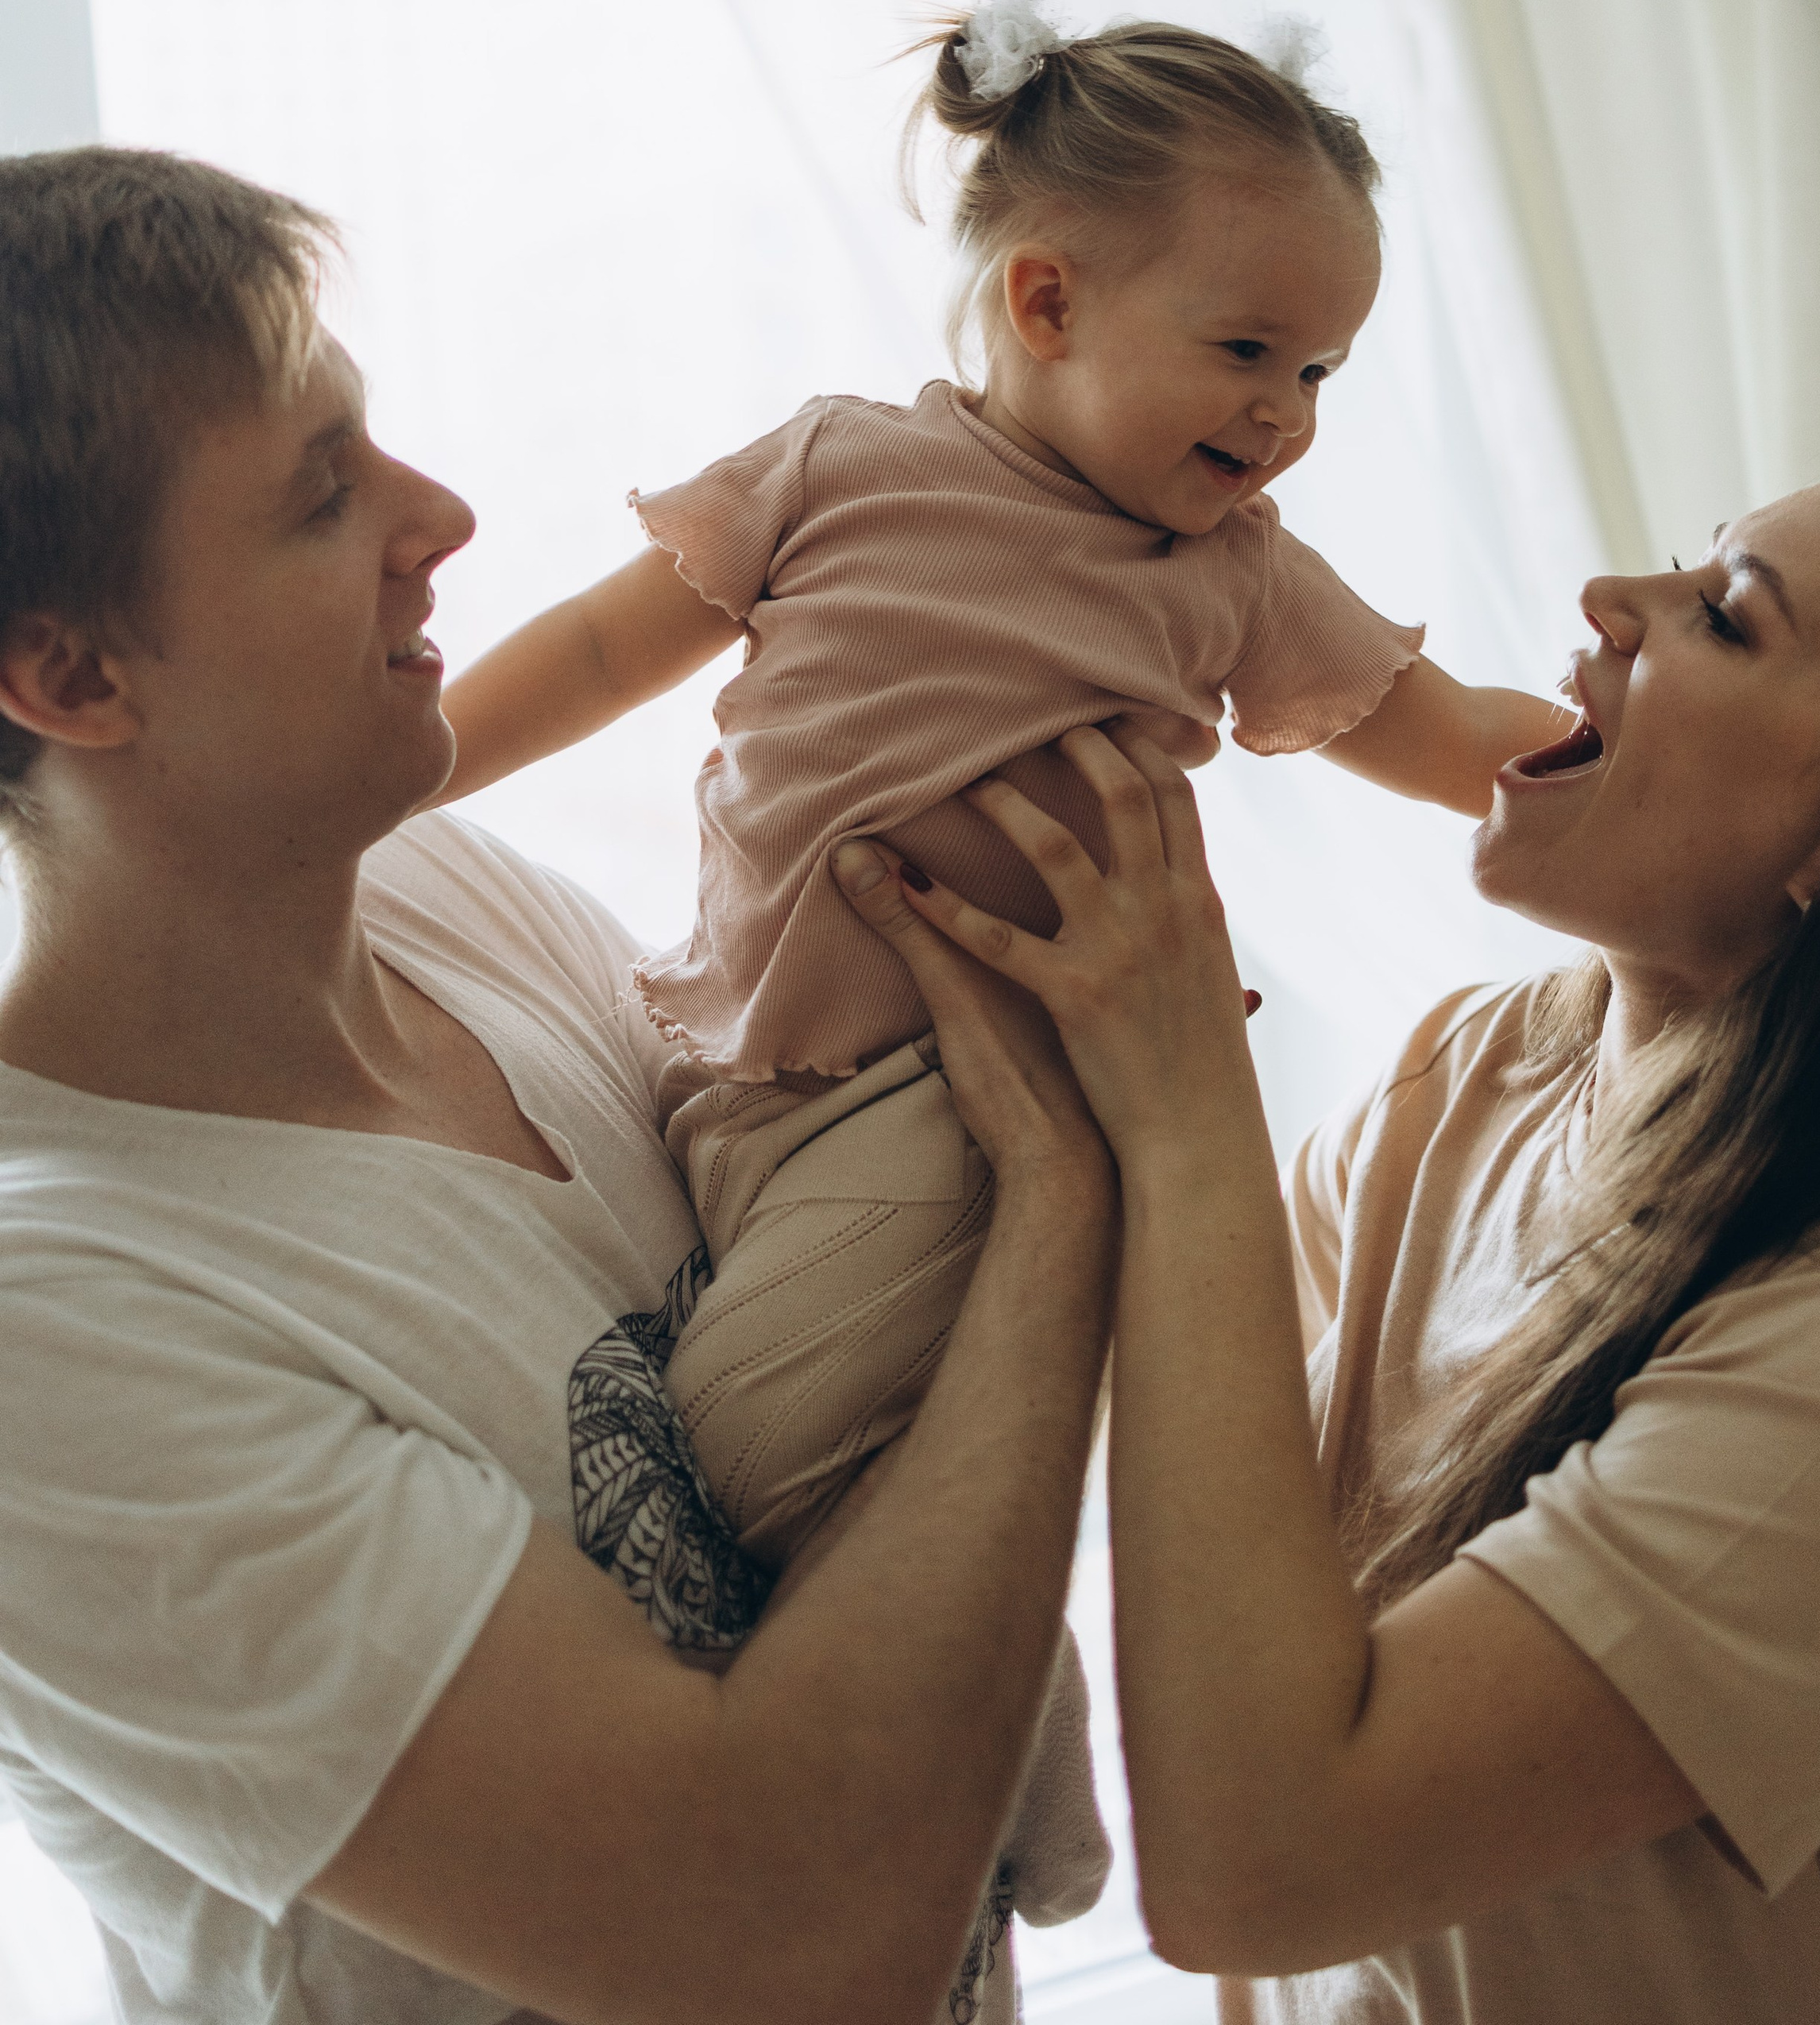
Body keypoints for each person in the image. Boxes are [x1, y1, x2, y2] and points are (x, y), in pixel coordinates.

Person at [0, 146, 1116, 2025]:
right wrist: (1069, 1202)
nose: (439, 517)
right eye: (320, 495)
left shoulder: (471, 902)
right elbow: (782, 1950)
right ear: (73, 676)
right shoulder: (56, 1326)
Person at [844, 412, 1820, 2022]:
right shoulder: (1478, 1073)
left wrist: (1187, 1104)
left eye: (1725, 617)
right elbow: (1172, 1433)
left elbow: (1257, 1865)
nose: (1613, 595)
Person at [439, 0, 1555, 1586]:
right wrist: (416, 771)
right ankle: (1007, 1821)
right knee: (900, 1473)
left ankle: (993, 1831)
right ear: (1044, 303)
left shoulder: (1229, 574)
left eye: (1319, 370)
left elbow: (1442, 733)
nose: (1284, 414)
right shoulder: (832, 467)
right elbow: (603, 652)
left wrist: (1626, 751)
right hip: (732, 1055)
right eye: (1247, 351)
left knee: (743, 1456)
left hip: (974, 1092)